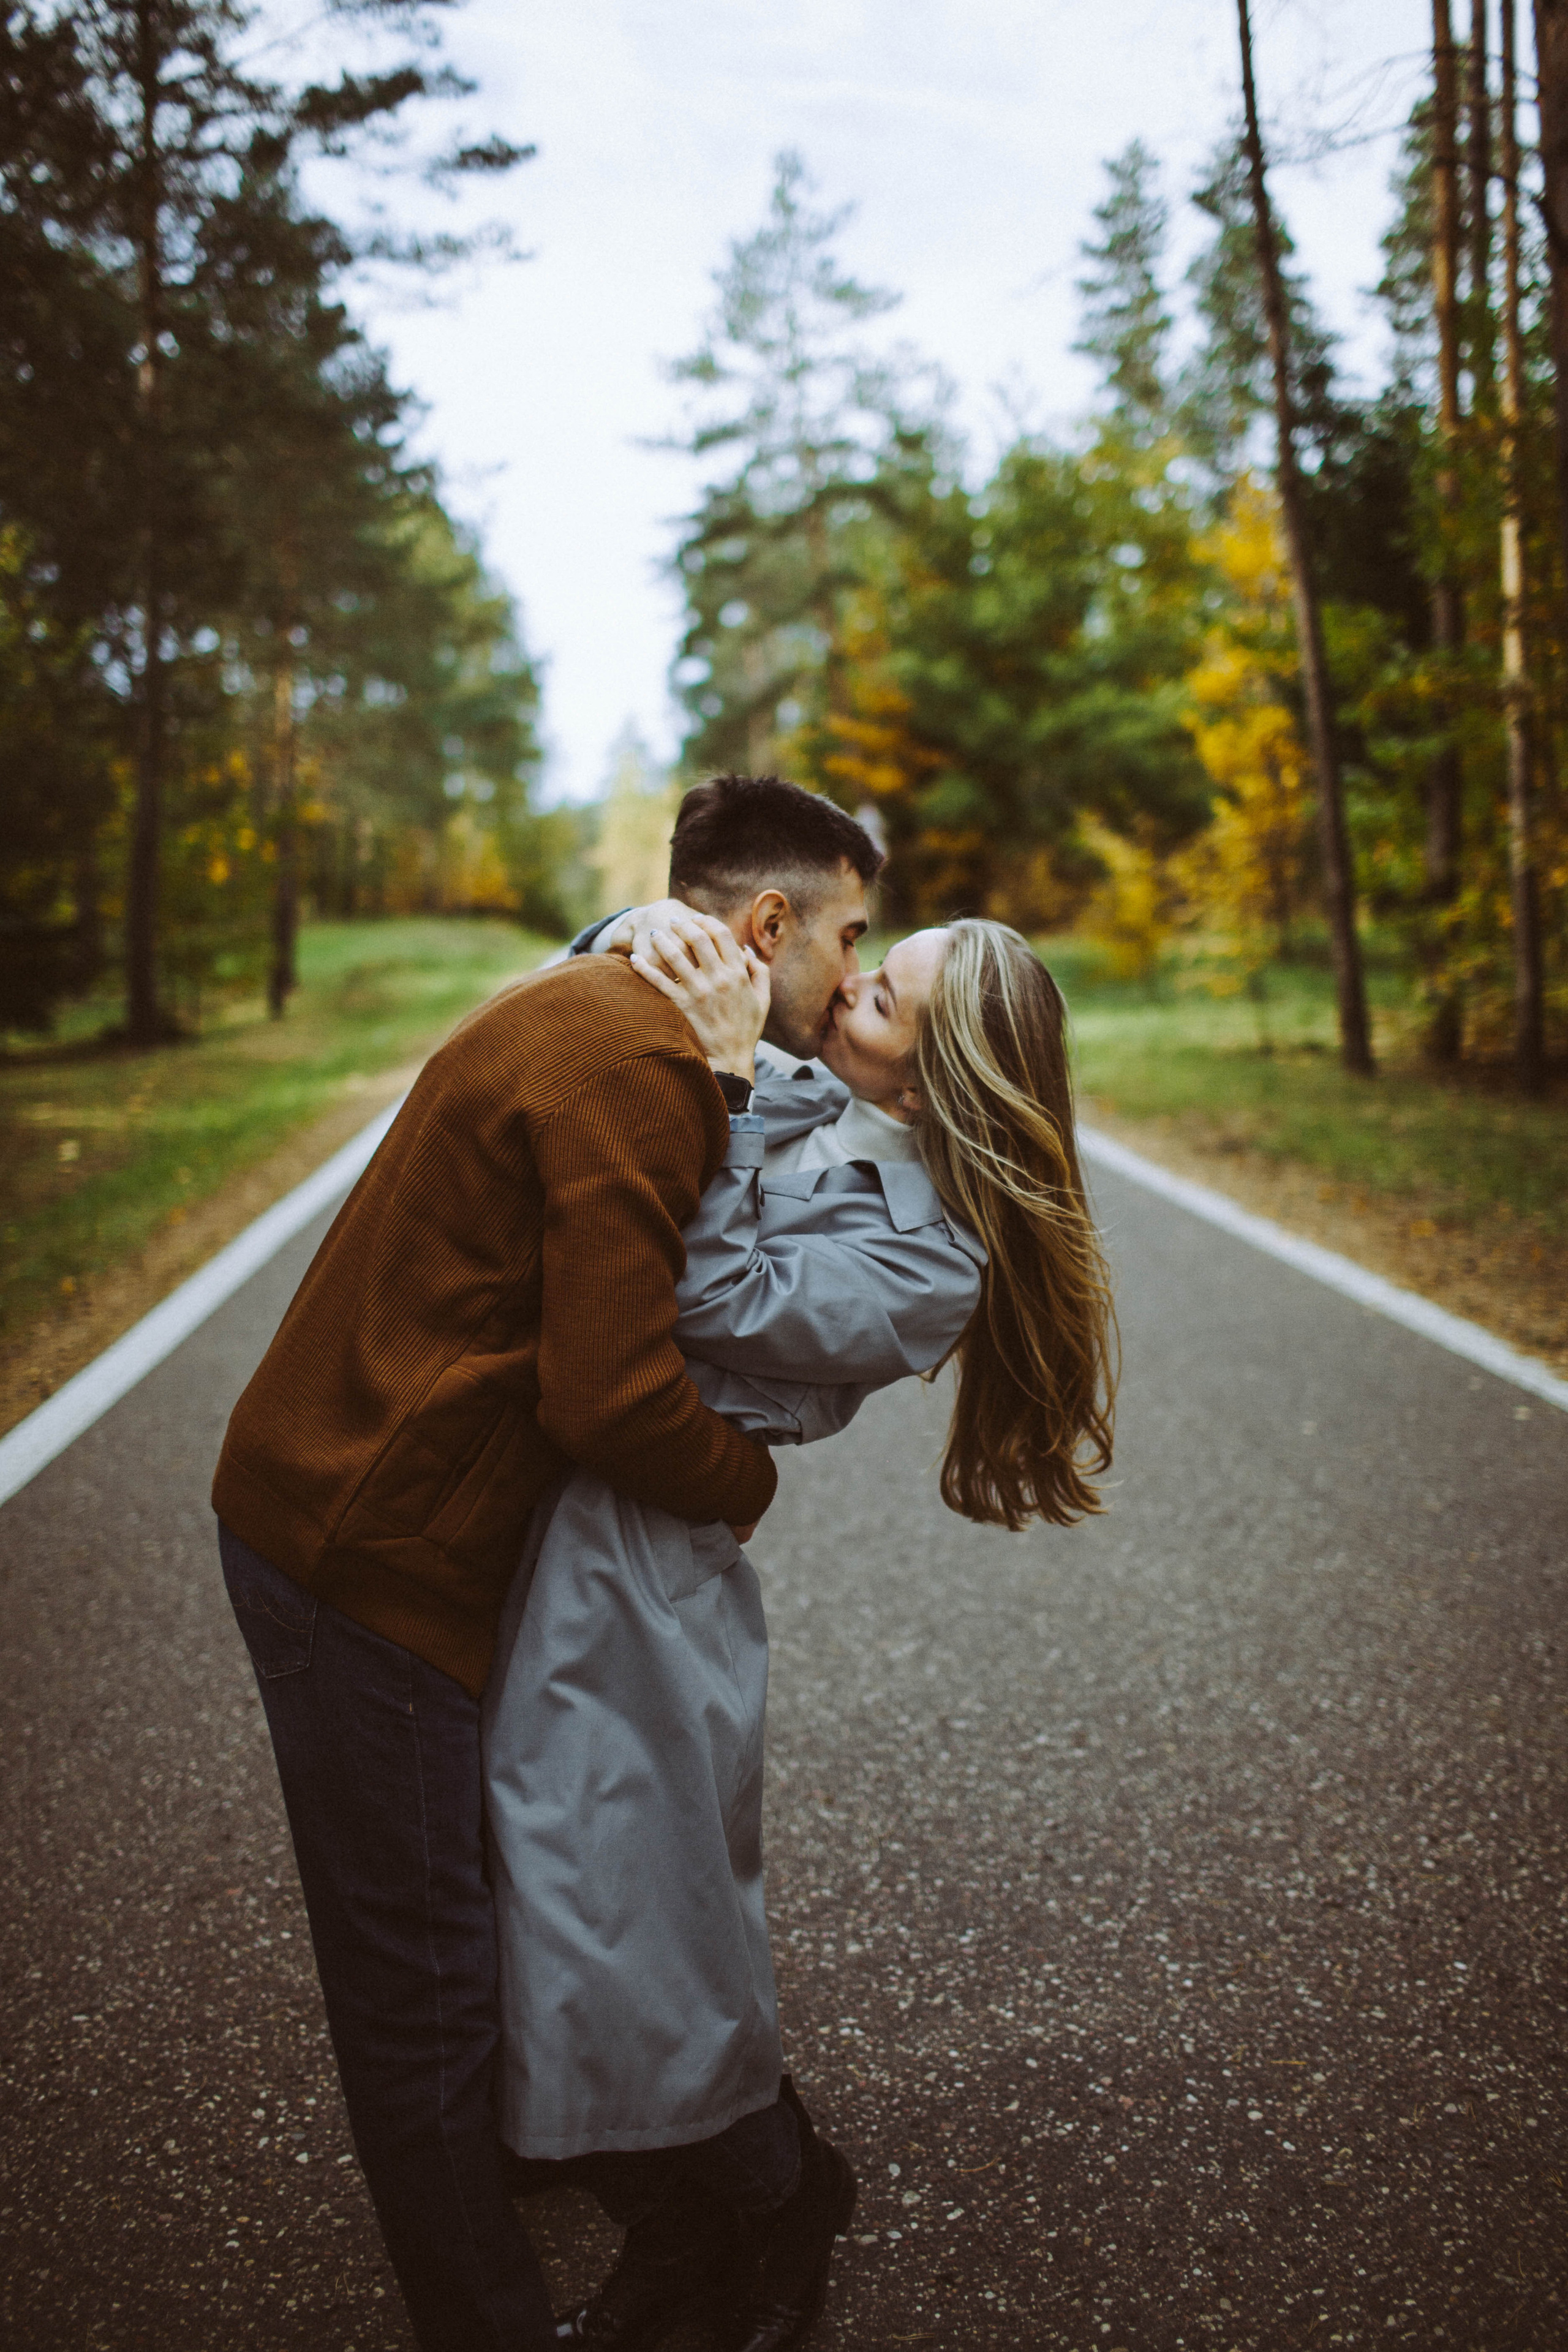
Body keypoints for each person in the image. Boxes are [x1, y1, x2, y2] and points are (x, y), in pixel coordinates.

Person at [209, 777, 884, 2352]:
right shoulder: (645, 1075)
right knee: (423, 2002)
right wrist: (742, 1492)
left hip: (366, 1513)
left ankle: (689, 2195)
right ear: (762, 926)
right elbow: (612, 1394)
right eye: (849, 932)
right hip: (356, 1556)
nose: (859, 971)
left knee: (518, 1912)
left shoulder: (610, 999)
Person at [487, 909, 1117, 2352]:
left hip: (644, 1552)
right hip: (543, 1493)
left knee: (627, 1912)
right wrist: (624, 929)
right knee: (534, 1886)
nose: (848, 984)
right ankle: (656, 2198)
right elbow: (599, 1072)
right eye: (870, 957)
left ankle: (773, 2196)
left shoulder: (932, 1268)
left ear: (939, 1070)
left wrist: (717, 1082)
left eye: (884, 995)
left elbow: (700, 1295)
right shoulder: (809, 1082)